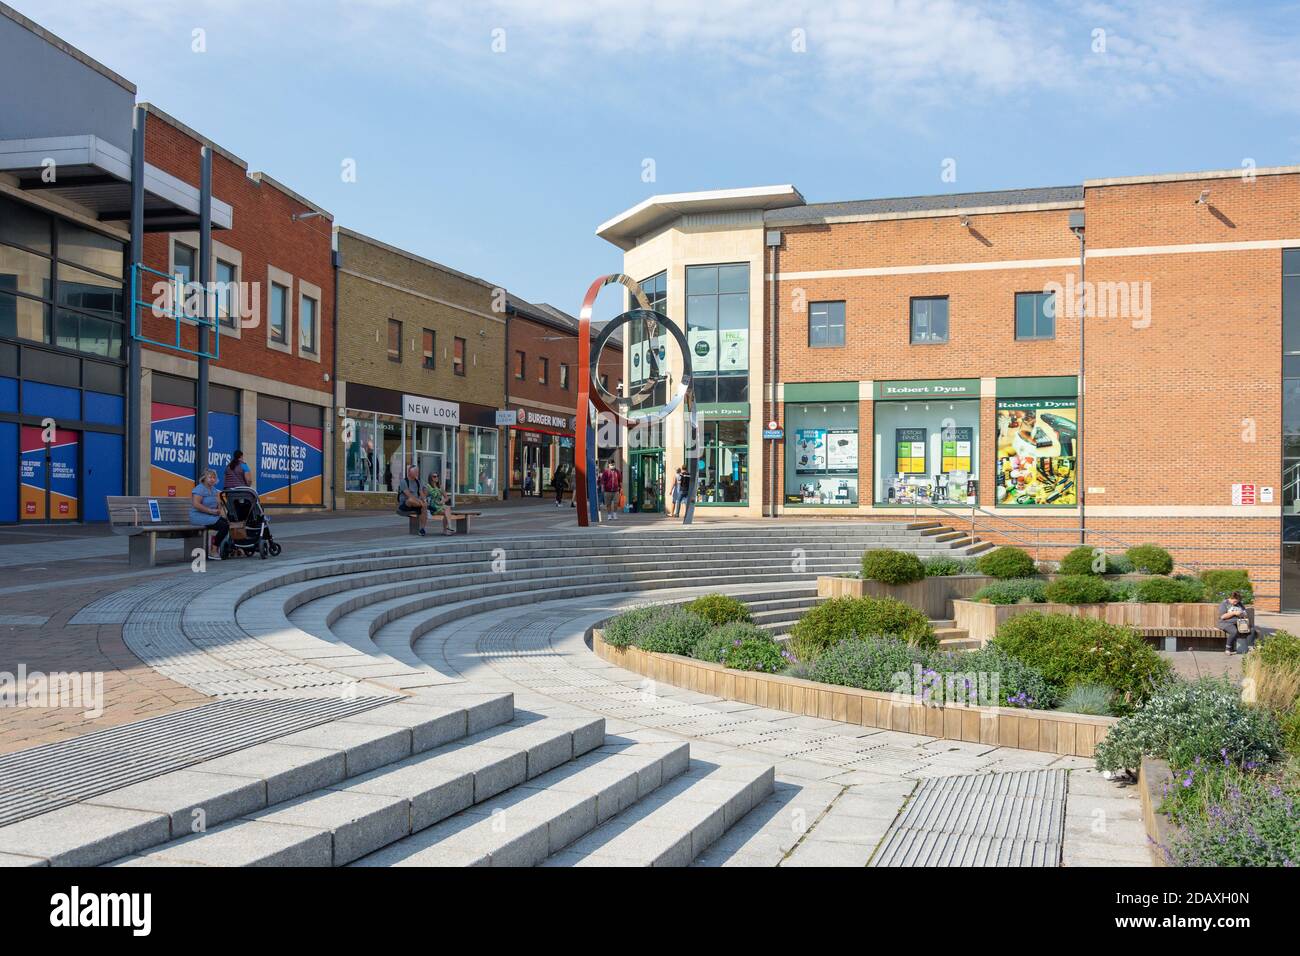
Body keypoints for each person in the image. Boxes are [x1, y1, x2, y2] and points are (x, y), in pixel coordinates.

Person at [190, 468, 229, 561]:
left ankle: (227, 548)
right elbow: (196, 505)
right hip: (198, 516)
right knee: (224, 526)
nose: (212, 479)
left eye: (214, 478)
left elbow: (218, 504)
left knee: (227, 523)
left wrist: (219, 508)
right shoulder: (199, 489)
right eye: (210, 477)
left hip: (209, 516)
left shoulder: (214, 490)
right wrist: (211, 511)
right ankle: (213, 550)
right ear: (204, 478)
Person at [1218, 590, 1254, 655]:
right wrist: (1234, 613)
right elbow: (1223, 617)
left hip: (1239, 622)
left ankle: (1250, 648)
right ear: (1231, 598)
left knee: (1251, 629)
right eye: (1235, 601)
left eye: (1237, 601)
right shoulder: (1224, 604)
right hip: (1226, 623)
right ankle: (1228, 649)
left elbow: (1245, 613)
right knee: (1234, 631)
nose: (1236, 603)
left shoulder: (1239, 604)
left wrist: (1242, 614)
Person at [397, 464, 429, 536]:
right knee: (411, 500)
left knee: (424, 507)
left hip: (416, 504)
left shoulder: (418, 482)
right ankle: (422, 506)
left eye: (417, 472)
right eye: (415, 472)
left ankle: (422, 529)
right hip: (405, 504)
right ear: (409, 472)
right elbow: (408, 495)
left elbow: (421, 493)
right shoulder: (403, 481)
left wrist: (424, 499)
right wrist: (421, 502)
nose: (417, 474)